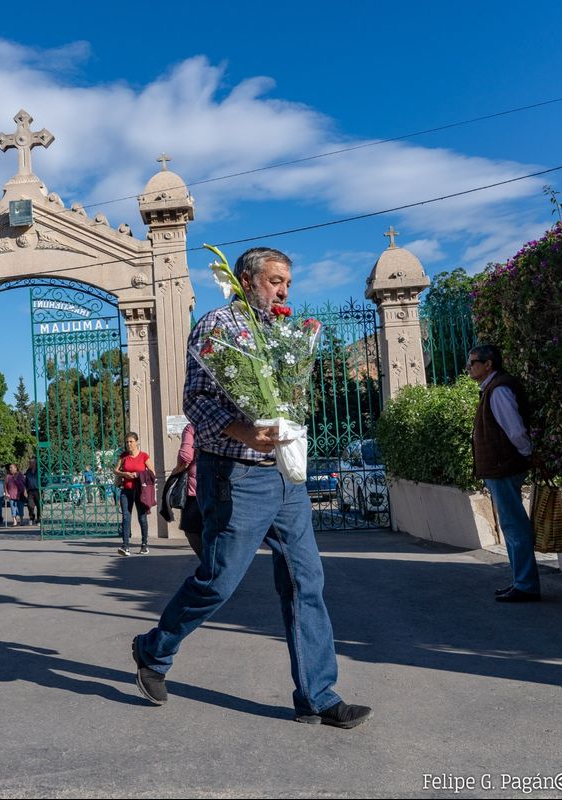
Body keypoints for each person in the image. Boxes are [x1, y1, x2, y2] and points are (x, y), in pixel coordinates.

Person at [131, 246, 372, 729]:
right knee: (219, 580)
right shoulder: (216, 327)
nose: (284, 291)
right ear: (246, 279)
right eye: (276, 281)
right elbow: (195, 402)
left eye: (288, 283)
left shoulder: (284, 333)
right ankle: (154, 651)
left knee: (307, 580)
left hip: (285, 476)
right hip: (236, 475)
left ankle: (317, 695)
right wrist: (247, 432)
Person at [467, 344, 541, 603]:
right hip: (501, 466)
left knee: (513, 524)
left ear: (488, 364)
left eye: (474, 362)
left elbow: (515, 429)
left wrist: (526, 453)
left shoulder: (498, 390)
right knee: (511, 524)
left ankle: (525, 584)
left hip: (503, 466)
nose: (469, 367)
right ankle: (520, 580)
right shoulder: (491, 388)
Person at [167, 422, 203, 557]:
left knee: (192, 530)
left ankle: (208, 564)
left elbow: (186, 457)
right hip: (224, 488)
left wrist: (177, 468)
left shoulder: (192, 427)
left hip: (195, 493)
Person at [114, 432, 152, 556]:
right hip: (126, 490)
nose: (129, 444)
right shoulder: (123, 456)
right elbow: (115, 470)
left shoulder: (144, 456)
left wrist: (137, 475)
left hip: (140, 491)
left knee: (142, 517)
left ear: (137, 442)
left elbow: (152, 473)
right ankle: (125, 546)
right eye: (127, 442)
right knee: (126, 516)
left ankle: (144, 545)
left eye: (131, 441)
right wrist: (124, 474)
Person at [24, 457, 41, 525]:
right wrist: (25, 490)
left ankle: (39, 519)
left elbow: (43, 480)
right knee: (30, 505)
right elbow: (25, 482)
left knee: (39, 506)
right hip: (30, 491)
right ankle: (32, 517)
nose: (29, 464)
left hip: (38, 490)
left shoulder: (39, 471)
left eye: (30, 463)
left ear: (34, 463)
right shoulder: (28, 471)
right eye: (29, 463)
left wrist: (43, 488)